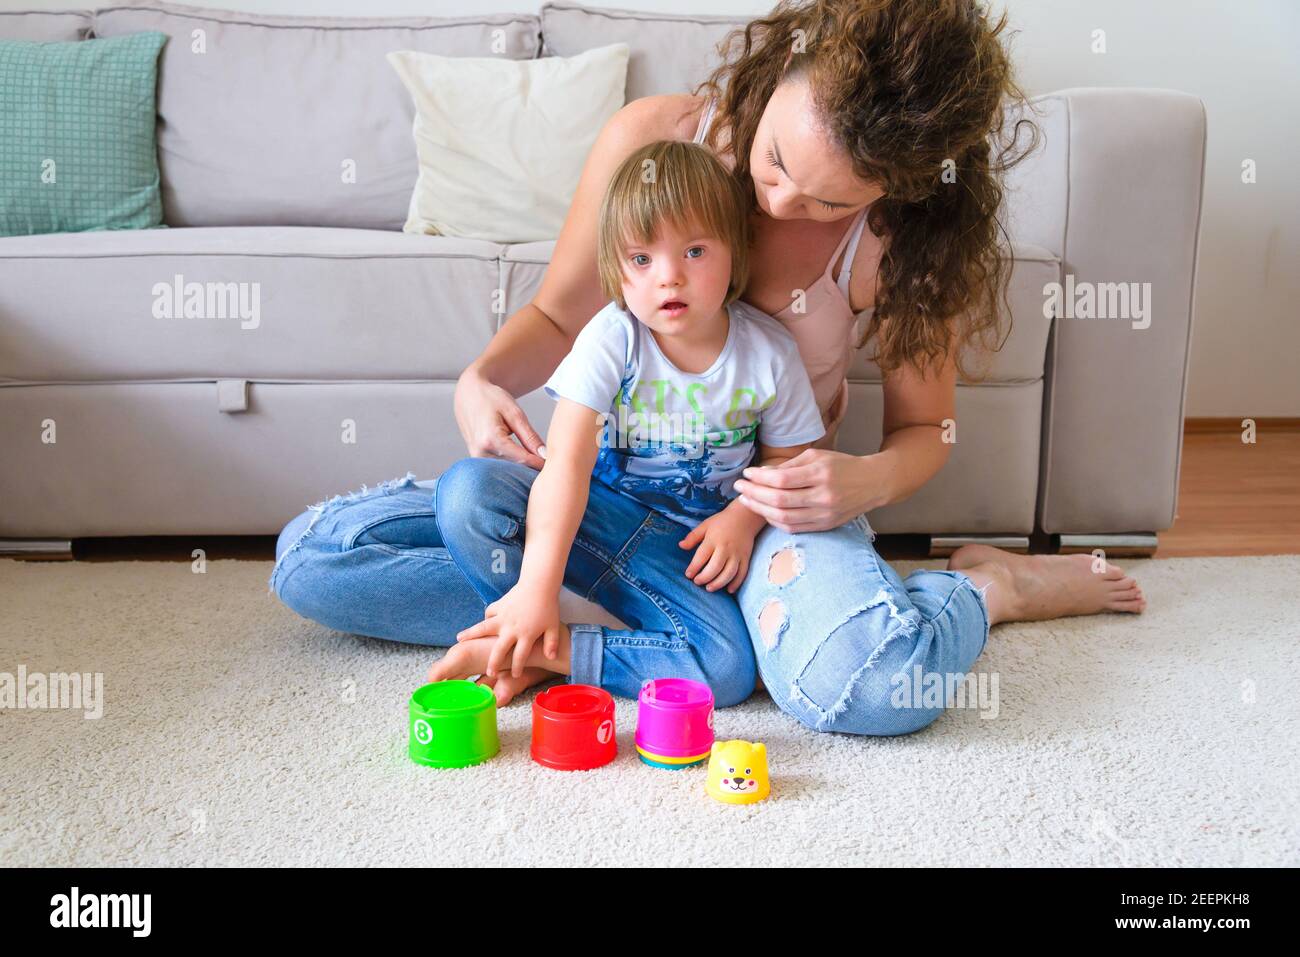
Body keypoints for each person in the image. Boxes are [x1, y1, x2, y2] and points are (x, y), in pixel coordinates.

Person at [271, 0, 1145, 736]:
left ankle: (985, 588)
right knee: (316, 559)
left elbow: (925, 432)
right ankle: (633, 628)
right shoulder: (661, 143)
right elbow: (554, 317)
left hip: (759, 516)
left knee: (871, 682)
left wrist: (860, 481)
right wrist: (480, 378)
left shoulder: (903, 241)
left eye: (829, 199)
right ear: (783, 72)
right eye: (774, 162)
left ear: (897, 190)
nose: (776, 203)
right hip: (609, 508)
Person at [428, 140, 826, 706]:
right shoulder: (613, 337)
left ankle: (551, 650)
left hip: (686, 555)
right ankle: (525, 621)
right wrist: (537, 587)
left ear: (734, 251)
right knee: (469, 490)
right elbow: (565, 466)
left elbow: (793, 463)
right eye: (642, 259)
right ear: (618, 268)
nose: (669, 278)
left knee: (729, 668)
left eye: (693, 252)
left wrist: (741, 518)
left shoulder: (768, 352)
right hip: (599, 522)